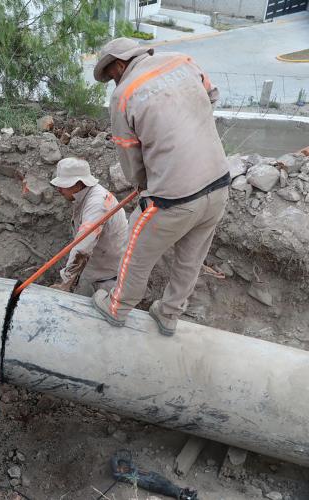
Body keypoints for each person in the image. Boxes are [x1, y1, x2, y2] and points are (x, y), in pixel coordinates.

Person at [90, 37, 230, 336]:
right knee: (190, 259)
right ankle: (168, 315)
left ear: (118, 64)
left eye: (111, 75)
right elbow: (212, 97)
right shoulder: (183, 61)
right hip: (218, 184)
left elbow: (131, 160)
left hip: (175, 198)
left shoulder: (124, 95)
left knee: (135, 252)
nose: (113, 82)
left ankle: (117, 307)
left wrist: (144, 186)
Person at [49, 158, 128, 296]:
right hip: (96, 269)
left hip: (108, 278)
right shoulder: (86, 195)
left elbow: (83, 247)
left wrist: (66, 282)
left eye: (63, 185)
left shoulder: (97, 204)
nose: (59, 189)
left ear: (79, 184)